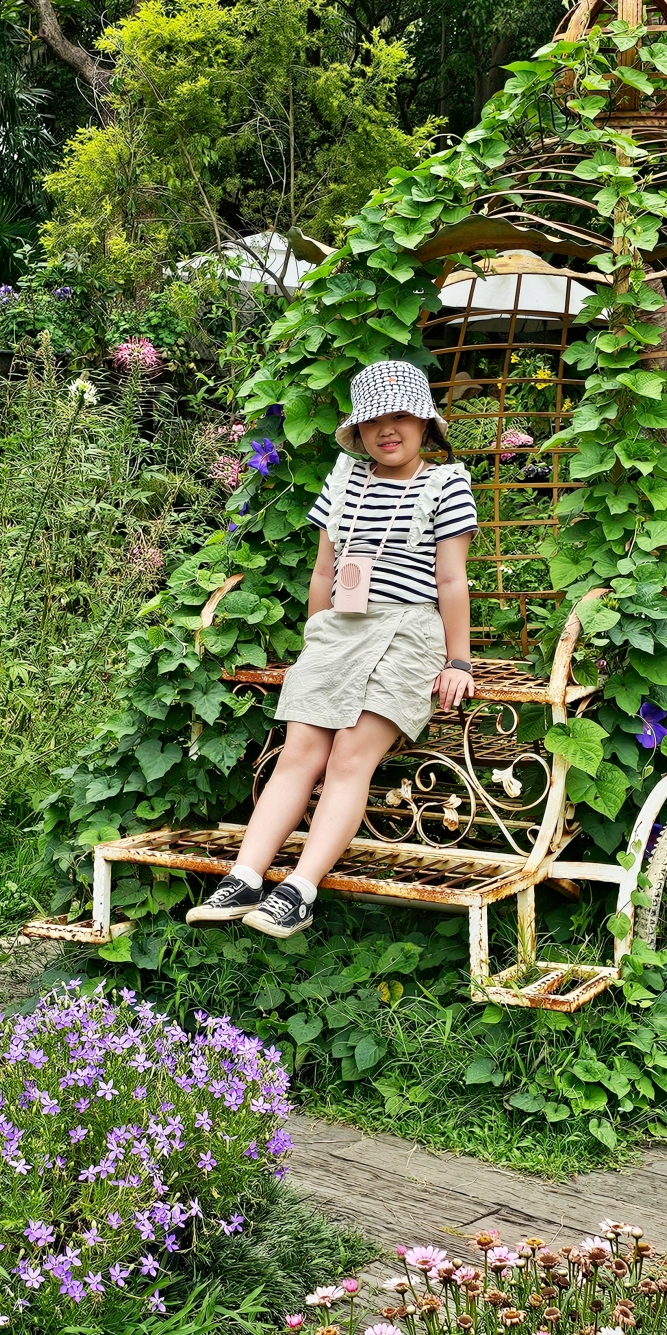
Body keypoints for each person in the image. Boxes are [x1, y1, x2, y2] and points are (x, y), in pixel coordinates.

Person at [185, 360, 478, 938]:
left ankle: (300, 890)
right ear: (358, 429)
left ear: (425, 424)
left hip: (407, 634)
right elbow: (324, 572)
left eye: (401, 417)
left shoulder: (445, 485)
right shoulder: (344, 483)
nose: (387, 430)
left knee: (349, 756)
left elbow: (451, 580)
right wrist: (316, 639)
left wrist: (458, 660)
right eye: (373, 420)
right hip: (338, 631)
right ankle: (245, 876)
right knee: (299, 751)